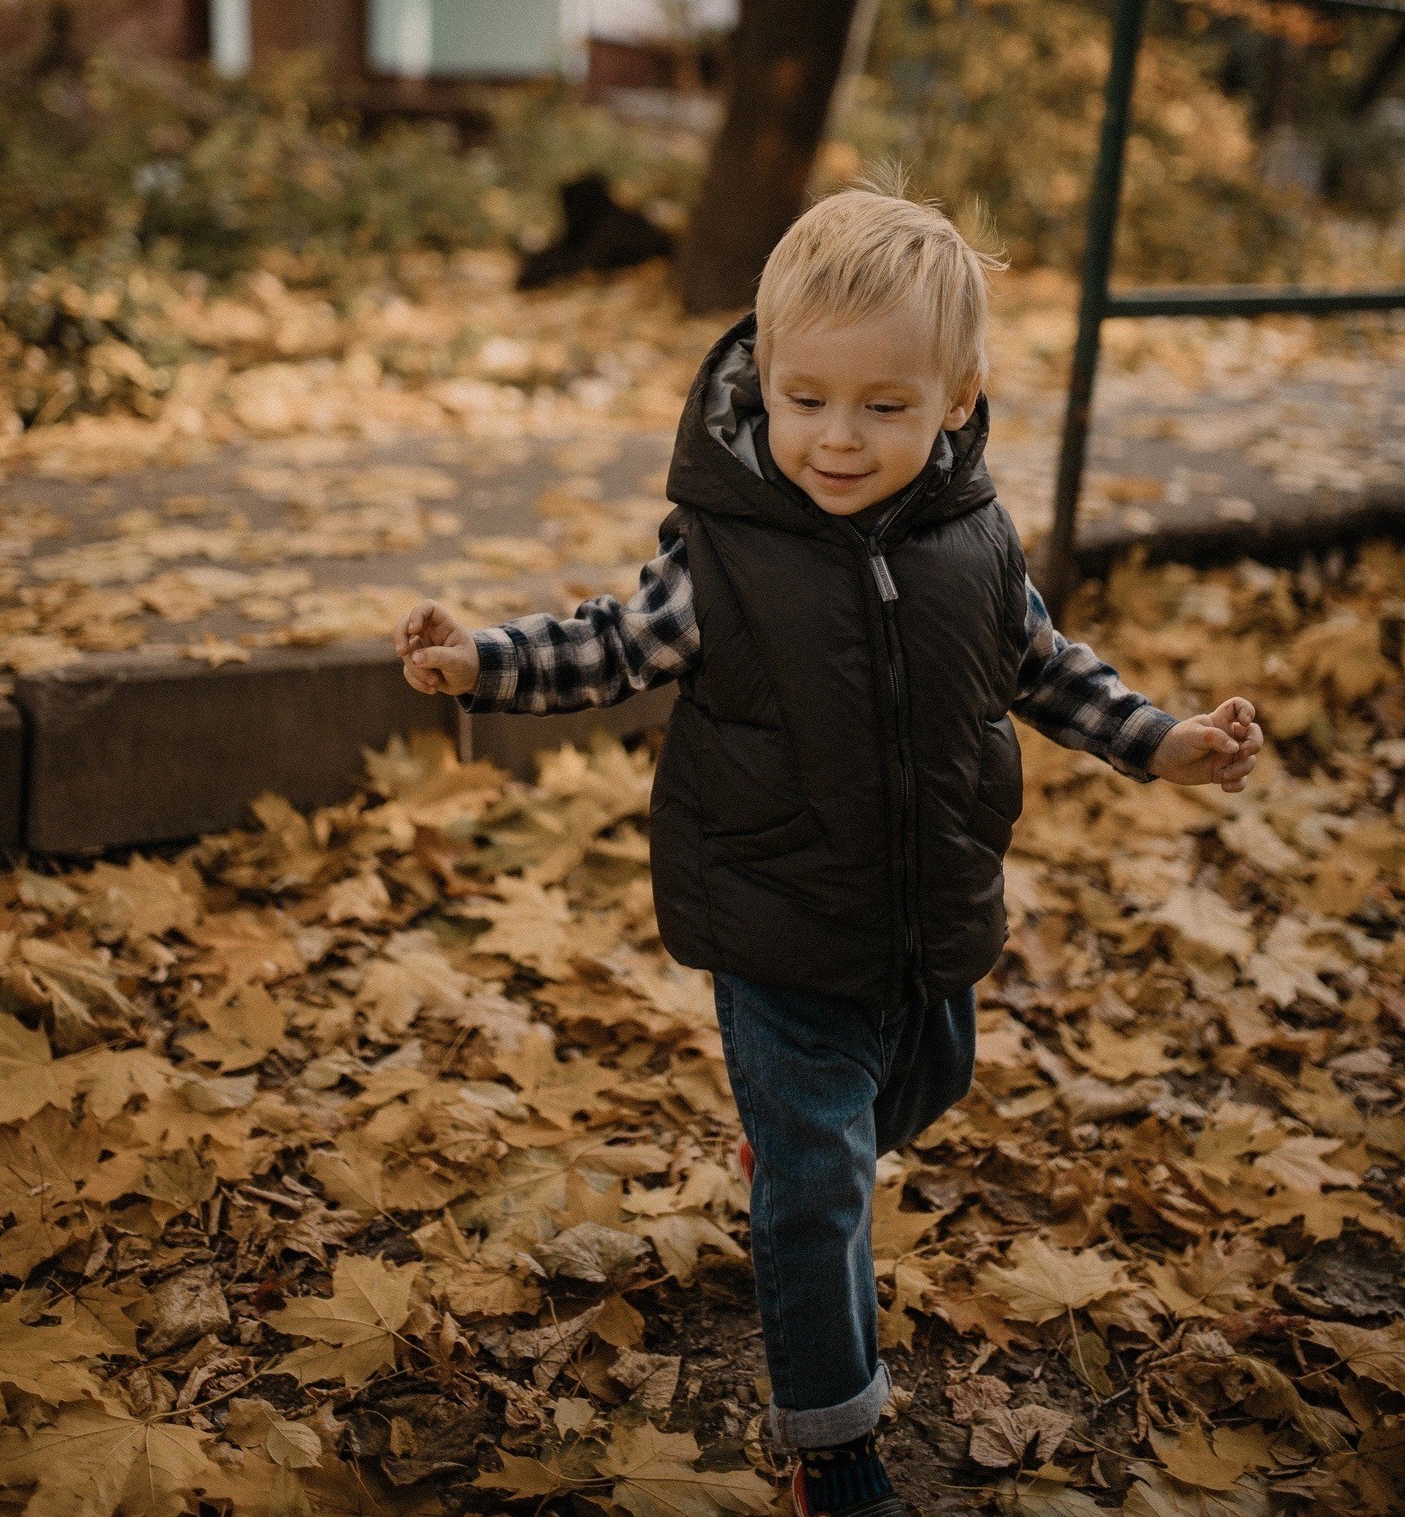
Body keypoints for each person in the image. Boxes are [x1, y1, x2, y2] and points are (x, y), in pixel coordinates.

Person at [393, 185, 1263, 1517]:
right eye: (805, 400)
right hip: (778, 922)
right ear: (758, 377)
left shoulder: (976, 541)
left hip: (932, 921)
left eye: (881, 406)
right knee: (818, 1185)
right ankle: (834, 1448)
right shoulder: (723, 552)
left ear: (957, 400)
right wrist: (482, 664)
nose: (838, 439)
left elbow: (1040, 662)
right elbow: (612, 641)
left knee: (918, 1094)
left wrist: (1160, 741)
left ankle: (808, 1154)